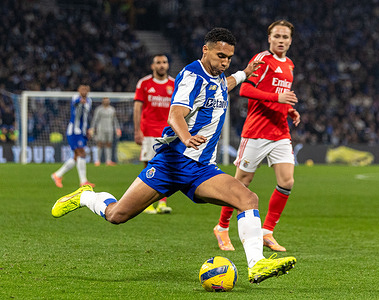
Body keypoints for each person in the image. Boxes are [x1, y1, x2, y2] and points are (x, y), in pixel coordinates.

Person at [51, 28, 296, 284]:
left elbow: (225, 85)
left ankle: (256, 265)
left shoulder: (219, 76)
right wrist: (186, 136)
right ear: (206, 49)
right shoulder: (191, 76)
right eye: (220, 55)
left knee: (248, 199)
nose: (224, 62)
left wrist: (244, 73)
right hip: (171, 163)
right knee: (117, 215)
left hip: (201, 169)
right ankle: (86, 196)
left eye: (229, 58)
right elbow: (175, 114)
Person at [213, 20, 300, 252]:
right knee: (241, 183)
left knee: (287, 181)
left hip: (280, 131)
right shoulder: (262, 59)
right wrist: (278, 100)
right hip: (257, 131)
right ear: (269, 38)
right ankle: (222, 228)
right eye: (277, 36)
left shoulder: (289, 64)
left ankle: (267, 231)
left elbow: (277, 93)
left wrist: (289, 109)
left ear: (291, 40)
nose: (281, 41)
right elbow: (245, 90)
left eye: (285, 37)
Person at [134, 54, 175, 214]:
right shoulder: (144, 83)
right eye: (158, 63)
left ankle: (162, 202)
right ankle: (147, 203)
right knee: (148, 166)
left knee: (169, 166)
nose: (162, 65)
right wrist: (137, 130)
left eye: (164, 62)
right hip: (149, 131)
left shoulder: (174, 84)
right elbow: (137, 108)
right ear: (152, 66)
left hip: (168, 132)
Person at [51, 84, 96, 188]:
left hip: (82, 131)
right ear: (79, 90)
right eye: (82, 89)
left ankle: (57, 175)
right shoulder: (76, 97)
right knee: (82, 153)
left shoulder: (89, 101)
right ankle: (83, 181)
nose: (84, 91)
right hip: (74, 131)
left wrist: (88, 129)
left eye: (86, 89)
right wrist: (80, 101)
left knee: (76, 157)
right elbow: (75, 103)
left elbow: (85, 117)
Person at [89, 97, 122, 166]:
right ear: (102, 101)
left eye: (107, 100)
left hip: (110, 128)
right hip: (100, 128)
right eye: (105, 100)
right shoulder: (99, 109)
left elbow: (115, 120)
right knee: (100, 143)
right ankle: (97, 160)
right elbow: (95, 119)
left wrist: (117, 129)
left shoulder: (112, 109)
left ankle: (108, 160)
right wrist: (92, 128)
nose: (106, 102)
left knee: (109, 144)